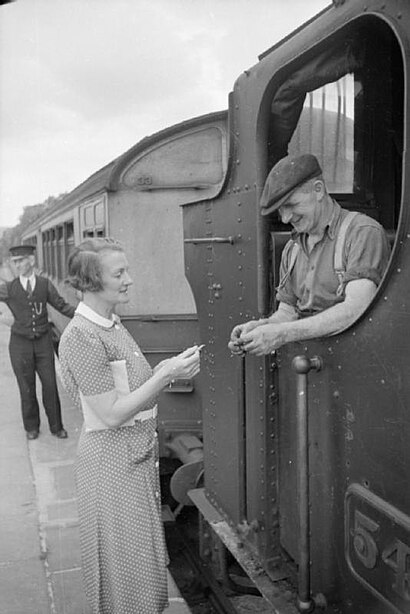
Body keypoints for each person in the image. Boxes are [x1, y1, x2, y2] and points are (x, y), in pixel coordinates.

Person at [58, 237, 201, 614]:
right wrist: (166, 375)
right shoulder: (82, 337)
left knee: (140, 571)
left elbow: (130, 390)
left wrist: (166, 370)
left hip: (131, 463)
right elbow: (111, 414)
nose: (129, 280)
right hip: (112, 468)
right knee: (126, 577)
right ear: (91, 282)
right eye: (119, 273)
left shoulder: (111, 325)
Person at [228, 153, 390, 356]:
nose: (286, 219)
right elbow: (287, 312)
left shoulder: (362, 232)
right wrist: (261, 328)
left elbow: (356, 308)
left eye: (291, 205)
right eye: (280, 211)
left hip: (356, 364)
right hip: (312, 370)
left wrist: (281, 334)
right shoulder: (292, 248)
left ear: (318, 190)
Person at [0, 244, 75, 439]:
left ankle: (56, 427)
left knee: (50, 385)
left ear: (31, 261)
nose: (16, 265)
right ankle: (31, 428)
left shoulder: (44, 284)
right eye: (14, 262)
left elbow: (62, 306)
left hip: (42, 342)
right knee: (27, 388)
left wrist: (87, 315)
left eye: (20, 261)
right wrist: (3, 317)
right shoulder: (9, 288)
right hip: (19, 346)